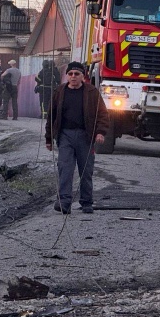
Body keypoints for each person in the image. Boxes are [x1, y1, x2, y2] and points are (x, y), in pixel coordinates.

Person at [45, 61, 109, 215]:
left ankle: (86, 202)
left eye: (77, 74)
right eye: (70, 74)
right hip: (65, 135)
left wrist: (100, 132)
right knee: (65, 168)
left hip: (85, 136)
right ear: (67, 76)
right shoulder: (59, 91)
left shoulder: (92, 92)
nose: (73, 77)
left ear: (83, 76)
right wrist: (49, 138)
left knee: (86, 170)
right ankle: (64, 202)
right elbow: (51, 116)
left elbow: (102, 114)